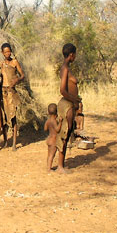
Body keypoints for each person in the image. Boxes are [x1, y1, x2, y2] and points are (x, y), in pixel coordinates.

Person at [56, 43, 82, 173]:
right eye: (75, 54)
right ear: (71, 54)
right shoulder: (65, 69)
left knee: (67, 133)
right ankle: (60, 166)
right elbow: (62, 90)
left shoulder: (67, 68)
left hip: (70, 104)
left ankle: (62, 164)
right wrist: (75, 99)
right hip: (66, 104)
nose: (75, 57)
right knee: (64, 135)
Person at [0, 43, 24, 151]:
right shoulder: (0, 63)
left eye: (9, 51)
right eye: (5, 52)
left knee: (13, 118)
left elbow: (22, 75)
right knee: (4, 119)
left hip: (12, 92)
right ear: (2, 53)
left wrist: (17, 80)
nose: (7, 53)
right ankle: (5, 142)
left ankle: (14, 143)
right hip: (3, 92)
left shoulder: (14, 62)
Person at [44, 103, 62, 173]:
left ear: (48, 112)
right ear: (56, 113)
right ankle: (49, 169)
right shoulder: (54, 121)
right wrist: (60, 122)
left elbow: (45, 129)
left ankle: (48, 167)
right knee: (52, 155)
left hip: (49, 139)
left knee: (49, 155)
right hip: (53, 140)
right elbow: (57, 129)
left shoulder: (48, 121)